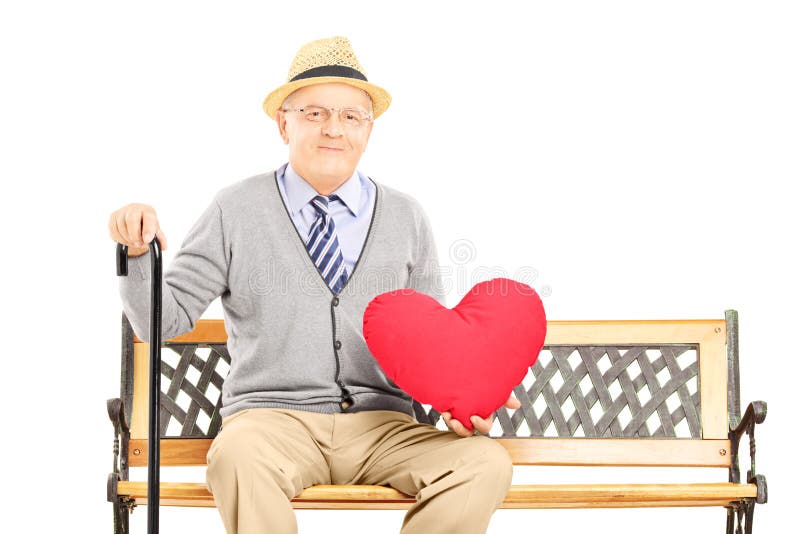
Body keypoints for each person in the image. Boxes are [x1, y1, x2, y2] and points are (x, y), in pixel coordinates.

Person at [109, 36, 519, 534]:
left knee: (484, 463)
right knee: (235, 457)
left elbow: (431, 345)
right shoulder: (235, 209)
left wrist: (466, 399)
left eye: (351, 116)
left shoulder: (407, 216)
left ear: (369, 130)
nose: (333, 129)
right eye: (314, 113)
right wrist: (136, 252)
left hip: (384, 426)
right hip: (271, 423)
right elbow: (162, 321)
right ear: (284, 122)